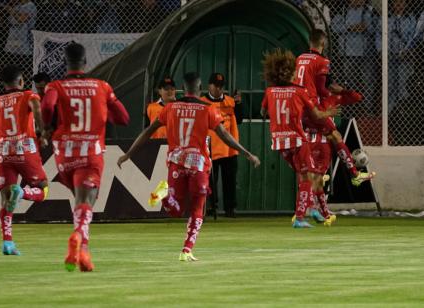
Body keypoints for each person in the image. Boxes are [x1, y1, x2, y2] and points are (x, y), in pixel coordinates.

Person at [117, 72, 260, 261]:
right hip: (198, 164)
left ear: (182, 89)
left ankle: (183, 241)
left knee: (176, 211)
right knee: (197, 208)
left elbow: (147, 131)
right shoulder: (207, 109)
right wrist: (247, 153)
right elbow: (225, 135)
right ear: (199, 89)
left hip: (176, 162)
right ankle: (186, 248)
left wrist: (129, 154)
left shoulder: (170, 108)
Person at [41, 43, 130, 272]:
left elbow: (47, 106)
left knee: (80, 202)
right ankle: (78, 237)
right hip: (90, 151)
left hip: (65, 152)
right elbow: (123, 118)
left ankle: (84, 252)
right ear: (85, 61)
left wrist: (47, 126)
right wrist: (105, 110)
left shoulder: (56, 85)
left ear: (66, 61)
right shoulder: (101, 86)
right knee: (87, 201)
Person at [260, 49, 338, 228]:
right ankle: (302, 216)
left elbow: (263, 112)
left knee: (304, 175)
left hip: (279, 142)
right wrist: (329, 112)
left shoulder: (270, 91)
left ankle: (312, 210)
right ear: (289, 72)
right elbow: (317, 115)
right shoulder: (300, 91)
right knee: (309, 175)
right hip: (297, 140)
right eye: (294, 70)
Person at [0, 65, 49, 255]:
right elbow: (36, 108)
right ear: (21, 81)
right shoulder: (28, 96)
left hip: (3, 152)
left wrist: (1, 140)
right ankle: (24, 193)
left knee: (5, 200)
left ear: (3, 84)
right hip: (24, 148)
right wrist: (42, 133)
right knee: (43, 189)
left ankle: (7, 243)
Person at [295, 29, 375, 187]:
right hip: (313, 106)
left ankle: (316, 179)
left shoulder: (300, 58)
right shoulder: (322, 61)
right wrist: (336, 90)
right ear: (323, 43)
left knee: (325, 139)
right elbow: (321, 89)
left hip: (299, 105)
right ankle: (355, 175)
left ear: (309, 41)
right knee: (336, 136)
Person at [307, 89, 364, 226]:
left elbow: (357, 97)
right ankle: (309, 210)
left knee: (312, 178)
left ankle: (322, 212)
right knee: (315, 179)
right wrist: (343, 90)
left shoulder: (307, 98)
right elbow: (357, 97)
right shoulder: (331, 99)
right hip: (323, 142)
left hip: (309, 141)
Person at [201, 73, 243, 218]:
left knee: (230, 180)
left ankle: (230, 209)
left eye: (220, 86)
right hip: (209, 148)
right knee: (209, 181)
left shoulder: (231, 101)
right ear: (209, 86)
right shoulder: (202, 102)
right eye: (215, 85)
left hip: (229, 149)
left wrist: (239, 104)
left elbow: (240, 119)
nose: (218, 89)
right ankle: (210, 206)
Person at [331, 0, 378, 111]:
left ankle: (367, 109)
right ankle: (351, 108)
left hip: (367, 53)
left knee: (368, 82)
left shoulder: (370, 11)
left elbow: (377, 28)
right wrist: (349, 28)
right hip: (348, 53)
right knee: (349, 80)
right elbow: (334, 27)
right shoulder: (342, 10)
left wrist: (366, 27)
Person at [376, 0, 415, 113]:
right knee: (390, 86)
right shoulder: (385, 18)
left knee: (404, 86)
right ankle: (389, 114)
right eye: (396, 2)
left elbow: (414, 37)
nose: (398, 4)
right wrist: (381, 52)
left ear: (406, 4)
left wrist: (408, 51)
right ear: (392, 4)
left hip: (405, 57)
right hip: (390, 57)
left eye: (402, 2)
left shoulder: (410, 19)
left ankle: (403, 113)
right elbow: (379, 36)